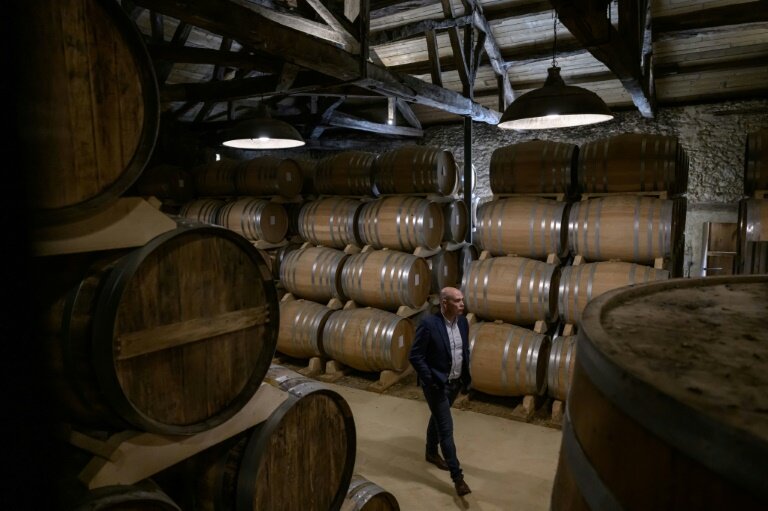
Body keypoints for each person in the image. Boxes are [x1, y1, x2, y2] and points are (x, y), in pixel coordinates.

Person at [408, 286, 472, 497]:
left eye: (462, 300)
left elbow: (464, 350)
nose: (462, 304)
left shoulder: (462, 321)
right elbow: (415, 356)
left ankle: (430, 452)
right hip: (437, 385)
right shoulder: (429, 324)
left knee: (437, 416)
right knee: (446, 429)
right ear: (444, 303)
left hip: (454, 383)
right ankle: (458, 478)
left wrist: (464, 376)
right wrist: (430, 380)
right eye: (457, 301)